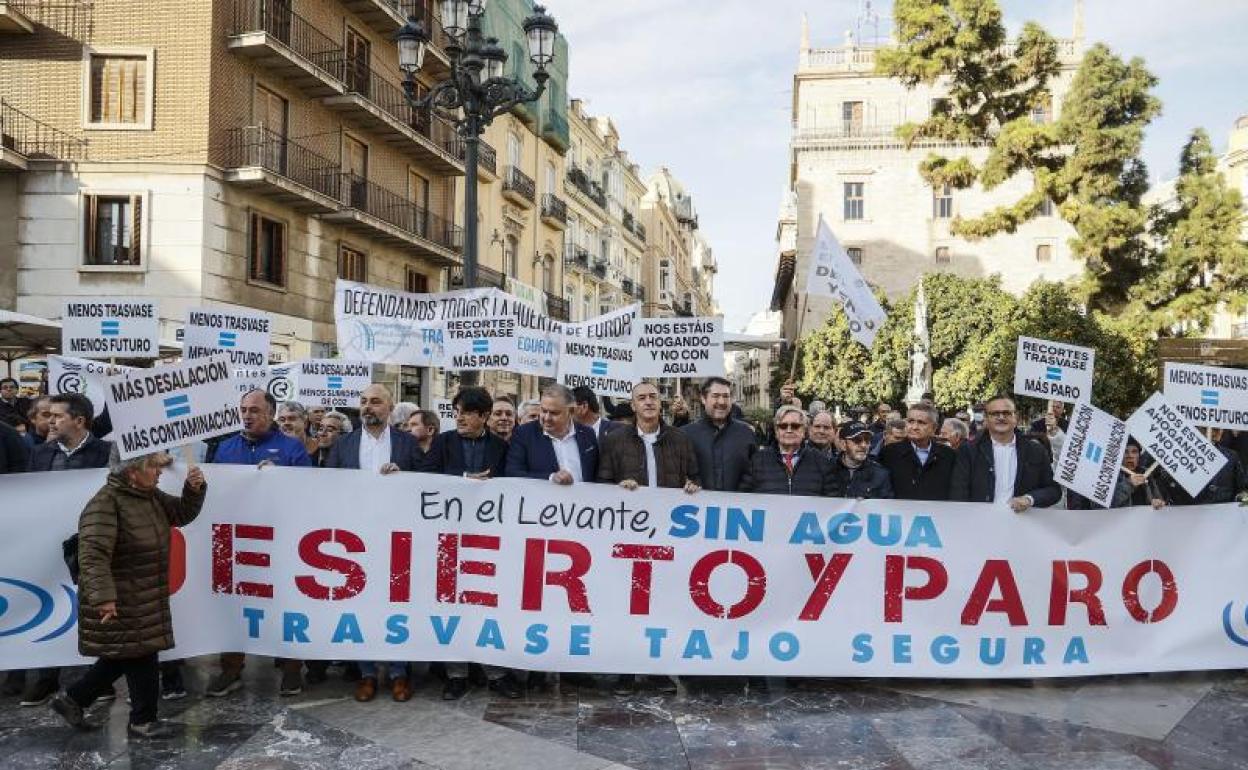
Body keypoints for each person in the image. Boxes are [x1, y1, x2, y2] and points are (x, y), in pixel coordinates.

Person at [49, 448, 206, 738]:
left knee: (127, 652)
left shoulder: (148, 497)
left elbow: (181, 513)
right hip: (121, 596)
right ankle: (143, 720)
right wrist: (104, 598)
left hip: (143, 593)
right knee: (141, 654)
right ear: (133, 471)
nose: (160, 471)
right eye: (153, 466)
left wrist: (193, 490)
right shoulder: (105, 504)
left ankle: (73, 699)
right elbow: (92, 555)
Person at [207, 389, 312, 699]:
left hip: (281, 541)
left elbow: (309, 492)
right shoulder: (225, 448)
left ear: (270, 414)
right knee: (234, 603)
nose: (247, 415)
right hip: (236, 542)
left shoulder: (292, 449)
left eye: (255, 409)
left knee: (285, 604)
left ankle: (292, 668)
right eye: (243, 409)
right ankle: (231, 667)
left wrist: (278, 481)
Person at [11, 394, 115, 706]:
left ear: (79, 421)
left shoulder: (107, 453)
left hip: (92, 544)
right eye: (48, 416)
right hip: (50, 544)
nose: (50, 421)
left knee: (92, 610)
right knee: (51, 606)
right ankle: (47, 678)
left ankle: (95, 679)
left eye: (56, 416)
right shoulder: (40, 454)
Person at [598, 381, 699, 695]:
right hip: (629, 536)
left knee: (663, 606)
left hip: (669, 537)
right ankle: (627, 672)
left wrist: (693, 486)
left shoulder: (680, 439)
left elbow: (695, 477)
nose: (648, 402)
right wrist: (618, 488)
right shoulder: (615, 441)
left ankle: (658, 671)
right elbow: (600, 485)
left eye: (653, 397)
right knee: (629, 606)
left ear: (661, 402)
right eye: (641, 398)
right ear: (632, 405)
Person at [322, 384, 421, 701]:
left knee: (396, 603)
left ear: (389, 407)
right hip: (356, 539)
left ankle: (398, 672)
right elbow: (328, 486)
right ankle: (366, 673)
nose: (368, 407)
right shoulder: (344, 444)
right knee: (360, 603)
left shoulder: (407, 444)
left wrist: (403, 476)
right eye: (363, 401)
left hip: (398, 537)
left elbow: (427, 485)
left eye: (376, 402)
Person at [950, 395, 1061, 512]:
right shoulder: (969, 450)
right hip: (979, 522)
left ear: (1015, 418)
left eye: (1007, 413)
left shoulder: (1035, 451)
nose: (1001, 417)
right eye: (995, 413)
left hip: (1021, 523)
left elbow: (1053, 490)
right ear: (986, 419)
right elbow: (958, 493)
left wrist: (1029, 499)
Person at [506, 384, 598, 484]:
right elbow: (513, 473)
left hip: (582, 499)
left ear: (571, 411)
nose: (547, 418)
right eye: (544, 411)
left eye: (554, 413)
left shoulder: (587, 434)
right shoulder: (524, 434)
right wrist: (551, 478)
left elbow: (597, 473)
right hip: (542, 498)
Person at [681, 377, 756, 492]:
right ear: (703, 398)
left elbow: (755, 473)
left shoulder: (746, 433)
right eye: (715, 396)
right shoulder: (686, 434)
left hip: (738, 507)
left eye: (726, 396)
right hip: (698, 506)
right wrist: (688, 483)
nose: (721, 402)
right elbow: (679, 473)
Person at [740, 406, 835, 495]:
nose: (789, 430)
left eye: (795, 426)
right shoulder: (758, 460)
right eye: (783, 426)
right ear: (776, 431)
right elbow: (745, 498)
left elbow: (832, 501)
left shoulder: (821, 461)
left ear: (804, 431)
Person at [420, 387, 508, 480]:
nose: (459, 418)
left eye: (466, 413)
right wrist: (464, 476)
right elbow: (426, 474)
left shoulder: (500, 446)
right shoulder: (442, 441)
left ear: (484, 416)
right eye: (457, 412)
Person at [879, 404, 957, 501]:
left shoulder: (948, 455)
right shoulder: (889, 453)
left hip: (937, 514)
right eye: (911, 421)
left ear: (934, 428)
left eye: (921, 423)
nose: (914, 427)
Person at [1155, 428, 1248, 506]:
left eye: (1218, 430)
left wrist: (1242, 497)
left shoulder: (1231, 456)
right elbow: (1169, 490)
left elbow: (1241, 487)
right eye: (1213, 430)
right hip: (1192, 517)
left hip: (1222, 515)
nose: (1219, 433)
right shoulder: (1180, 457)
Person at [829, 422, 894, 499]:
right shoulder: (828, 468)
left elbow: (886, 506)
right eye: (857, 440)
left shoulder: (880, 474)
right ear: (843, 444)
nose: (863, 445)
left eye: (867, 440)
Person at [1112, 440, 1166, 509]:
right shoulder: (1112, 476)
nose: (1130, 456)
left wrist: (1158, 503)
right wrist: (1129, 484)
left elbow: (1159, 500)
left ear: (1139, 456)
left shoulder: (1147, 474)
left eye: (1134, 452)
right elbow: (1103, 505)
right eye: (1125, 452)